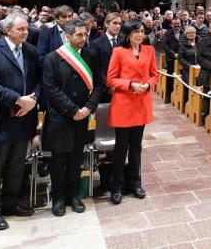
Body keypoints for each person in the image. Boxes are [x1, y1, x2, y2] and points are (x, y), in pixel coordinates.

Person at [0, 13, 40, 230]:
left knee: (16, 166)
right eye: (21, 29)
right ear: (7, 30)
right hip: (0, 119)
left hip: (24, 119)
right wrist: (17, 100)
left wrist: (32, 99)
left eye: (27, 29)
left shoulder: (31, 51)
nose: (25, 32)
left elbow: (39, 80)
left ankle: (10, 204)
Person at [42, 19, 104, 216]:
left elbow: (99, 85)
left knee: (77, 158)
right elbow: (51, 89)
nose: (83, 38)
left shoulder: (90, 55)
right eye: (78, 35)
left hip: (83, 116)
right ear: (67, 36)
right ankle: (58, 197)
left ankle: (73, 195)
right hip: (61, 117)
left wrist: (88, 108)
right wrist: (73, 110)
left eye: (85, 34)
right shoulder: (53, 58)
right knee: (59, 160)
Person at [106, 19, 158, 204]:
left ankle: (135, 182)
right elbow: (111, 79)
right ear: (128, 34)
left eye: (142, 31)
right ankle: (116, 186)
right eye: (136, 31)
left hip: (141, 104)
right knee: (121, 148)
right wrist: (130, 84)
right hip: (124, 104)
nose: (139, 34)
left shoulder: (149, 51)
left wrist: (147, 85)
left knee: (136, 147)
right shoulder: (118, 52)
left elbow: (154, 74)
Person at [89, 12, 121, 104]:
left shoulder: (123, 42)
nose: (118, 26)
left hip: (121, 87)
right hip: (104, 90)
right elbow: (96, 68)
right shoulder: (96, 43)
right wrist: (108, 86)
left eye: (119, 24)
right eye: (114, 23)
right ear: (107, 24)